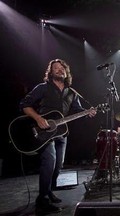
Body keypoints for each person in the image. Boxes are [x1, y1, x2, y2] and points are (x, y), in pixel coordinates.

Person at [19, 59, 96, 214]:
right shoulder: (43, 88)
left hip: (61, 133)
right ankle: (42, 201)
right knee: (50, 161)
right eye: (56, 68)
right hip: (44, 132)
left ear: (66, 72)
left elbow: (78, 111)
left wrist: (89, 113)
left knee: (58, 165)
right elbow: (24, 105)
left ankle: (48, 191)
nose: (59, 70)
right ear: (50, 72)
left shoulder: (72, 93)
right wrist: (39, 119)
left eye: (62, 68)